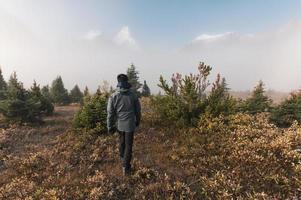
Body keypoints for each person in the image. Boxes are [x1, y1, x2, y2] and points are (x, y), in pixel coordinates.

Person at [107, 74, 141, 175]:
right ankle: (126, 167)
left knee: (122, 143)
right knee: (128, 146)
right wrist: (138, 121)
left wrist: (110, 126)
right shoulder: (133, 95)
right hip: (130, 125)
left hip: (119, 124)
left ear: (118, 83)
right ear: (127, 82)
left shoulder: (113, 96)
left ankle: (123, 158)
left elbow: (110, 113)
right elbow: (138, 111)